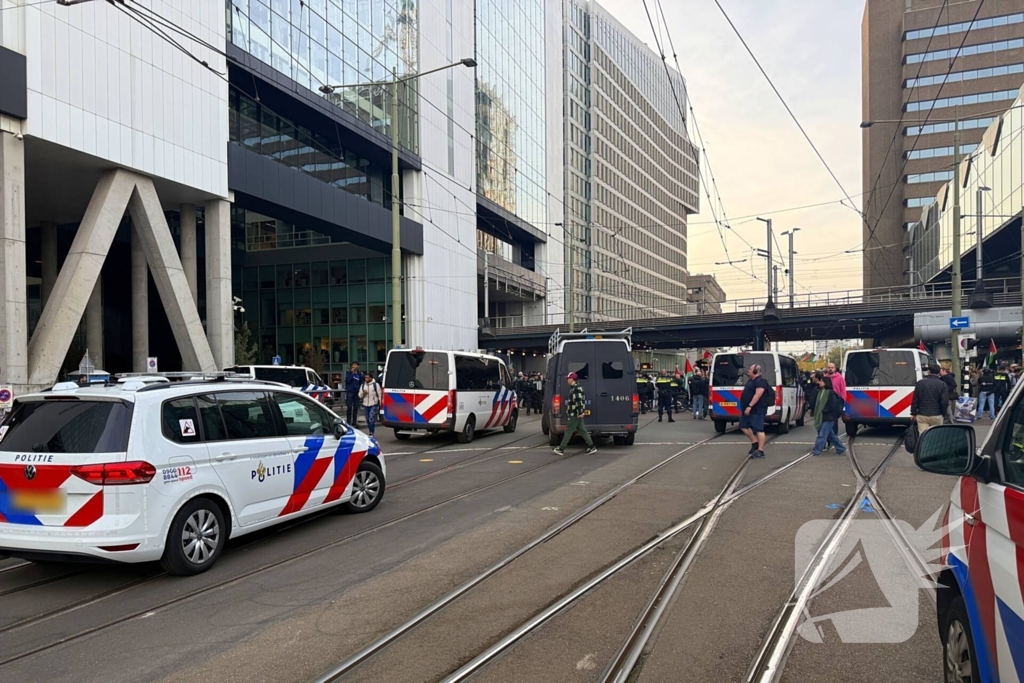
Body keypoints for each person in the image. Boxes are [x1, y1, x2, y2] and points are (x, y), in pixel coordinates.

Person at [554, 372, 597, 455]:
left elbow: (578, 401)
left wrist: (580, 412)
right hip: (576, 413)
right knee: (582, 430)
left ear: (572, 379)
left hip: (575, 414)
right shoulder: (575, 388)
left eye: (568, 378)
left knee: (569, 430)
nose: (567, 380)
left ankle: (561, 448)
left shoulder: (575, 389)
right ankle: (591, 446)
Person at [811, 373, 848, 456]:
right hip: (822, 416)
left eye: (821, 381)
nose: (819, 382)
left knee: (822, 435)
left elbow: (833, 405)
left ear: (826, 383)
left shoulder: (831, 393)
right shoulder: (819, 392)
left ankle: (817, 451)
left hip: (829, 417)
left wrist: (824, 410)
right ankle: (841, 448)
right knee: (830, 435)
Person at [740, 364, 771, 459]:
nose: (748, 371)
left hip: (757, 409)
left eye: (750, 369)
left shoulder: (761, 382)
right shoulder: (751, 381)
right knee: (743, 426)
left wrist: (750, 406)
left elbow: (758, 395)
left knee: (758, 429)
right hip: (747, 409)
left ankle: (760, 451)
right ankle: (755, 443)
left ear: (755, 371)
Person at [912, 362, 949, 435]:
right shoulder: (942, 384)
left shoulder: (920, 383)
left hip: (922, 414)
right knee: (936, 436)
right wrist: (943, 413)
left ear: (929, 371)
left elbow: (916, 399)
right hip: (937, 414)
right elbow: (944, 401)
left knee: (923, 436)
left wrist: (913, 413)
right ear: (939, 372)